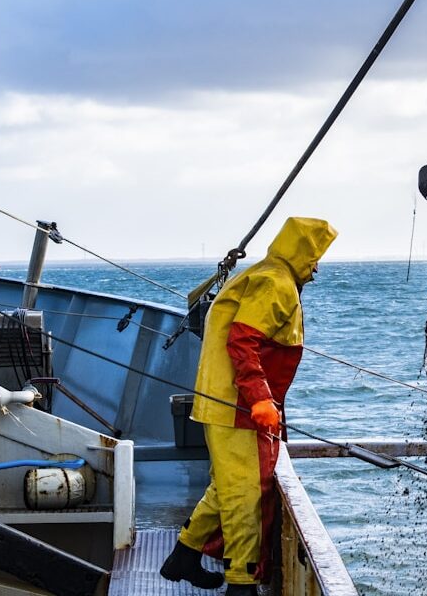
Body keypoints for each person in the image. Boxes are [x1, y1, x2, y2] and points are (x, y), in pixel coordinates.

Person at [161, 217, 338, 595]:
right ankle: (241, 584)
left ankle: (185, 555)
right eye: (315, 257)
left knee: (227, 485)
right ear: (302, 253)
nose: (318, 267)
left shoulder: (266, 273)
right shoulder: (276, 283)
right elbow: (243, 342)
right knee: (246, 494)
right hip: (236, 406)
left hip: (223, 402)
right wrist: (259, 399)